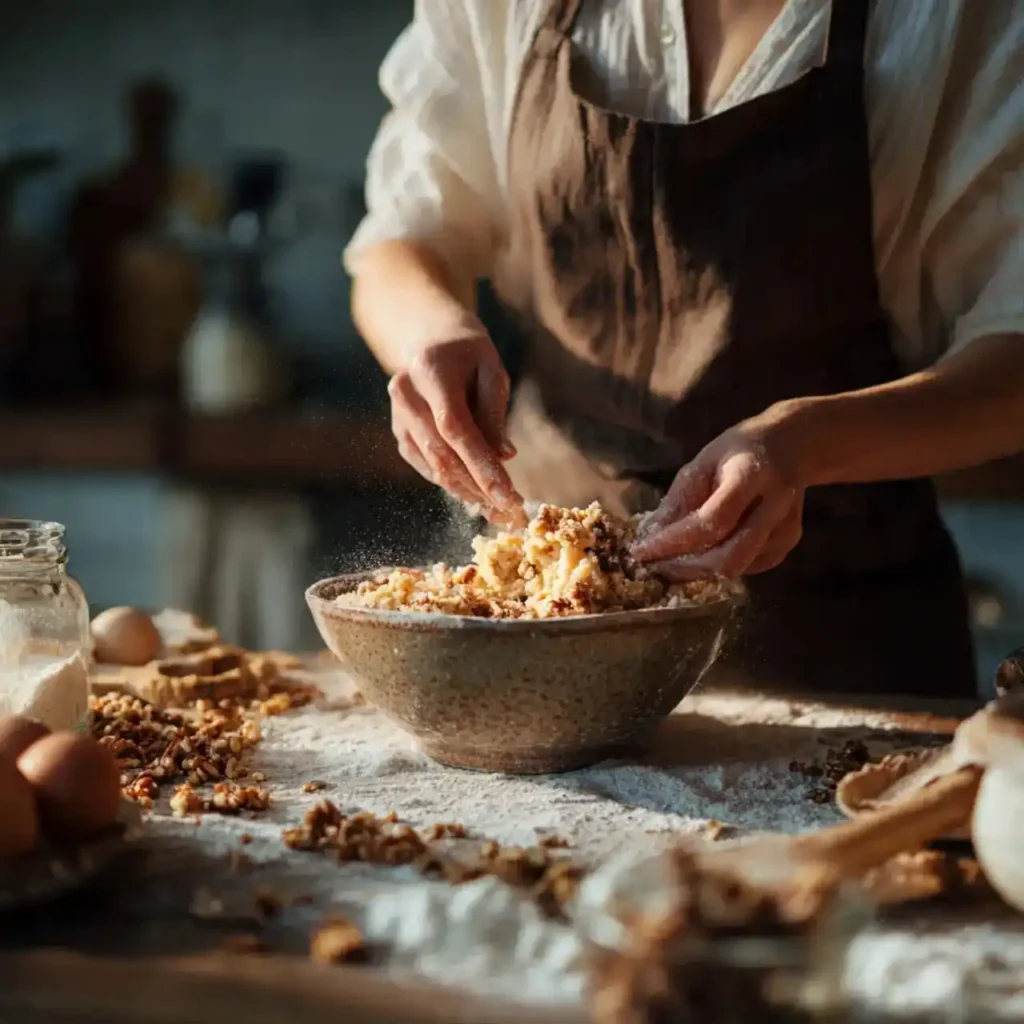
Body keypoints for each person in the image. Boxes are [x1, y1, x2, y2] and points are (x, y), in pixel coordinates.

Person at [345, 0, 1024, 698]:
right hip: (541, 636)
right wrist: (430, 332)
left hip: (835, 643)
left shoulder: (954, 19)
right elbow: (402, 244)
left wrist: (804, 441)